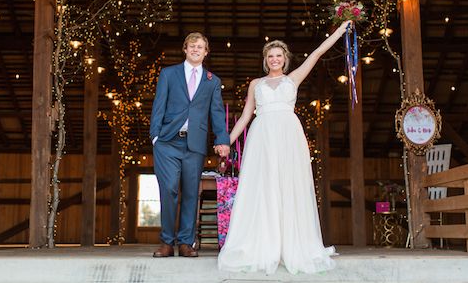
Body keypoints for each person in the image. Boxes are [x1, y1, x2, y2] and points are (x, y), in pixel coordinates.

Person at [217, 20, 352, 274]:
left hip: (289, 136)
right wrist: (227, 141)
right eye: (271, 56)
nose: (275, 59)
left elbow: (318, 52)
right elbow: (246, 116)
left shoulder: (293, 79)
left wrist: (341, 29)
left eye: (279, 55)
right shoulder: (256, 84)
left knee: (289, 186)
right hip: (262, 137)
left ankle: (291, 244)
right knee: (263, 187)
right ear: (266, 60)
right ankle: (263, 243)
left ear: (285, 59)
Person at [150, 32, 230, 258]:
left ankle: (186, 242)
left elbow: (216, 113)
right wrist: (155, 136)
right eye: (192, 46)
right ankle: (167, 241)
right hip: (167, 141)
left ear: (206, 52)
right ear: (185, 49)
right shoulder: (168, 74)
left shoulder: (212, 81)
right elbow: (159, 105)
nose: (196, 49)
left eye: (200, 47)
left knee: (191, 194)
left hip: (194, 144)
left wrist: (222, 139)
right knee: (169, 189)